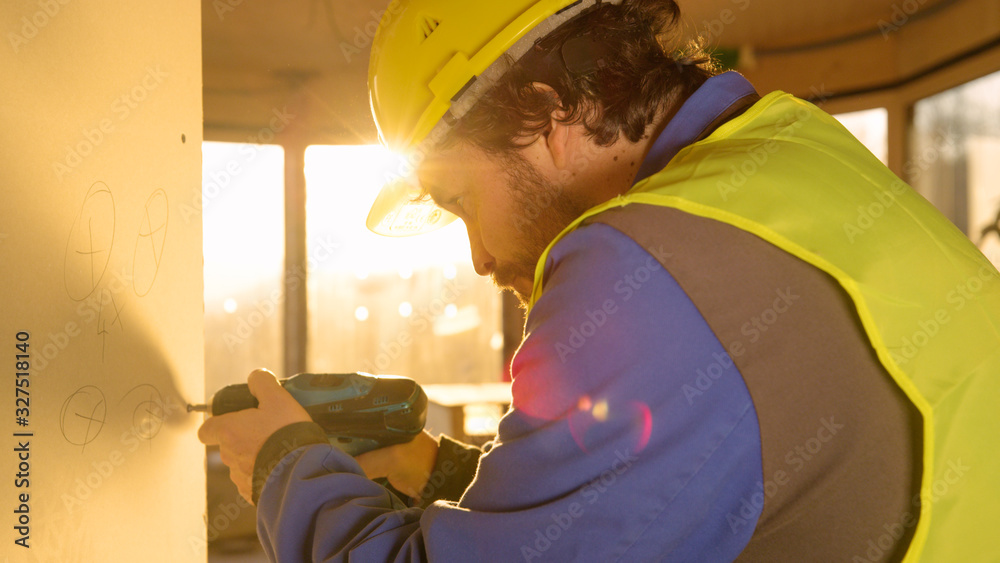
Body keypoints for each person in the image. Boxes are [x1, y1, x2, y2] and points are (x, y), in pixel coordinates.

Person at [197, 0, 1000, 560]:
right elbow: (684, 491)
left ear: (546, 114)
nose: (476, 256)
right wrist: (439, 473)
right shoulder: (790, 155)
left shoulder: (641, 267)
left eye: (460, 200)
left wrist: (283, 464)